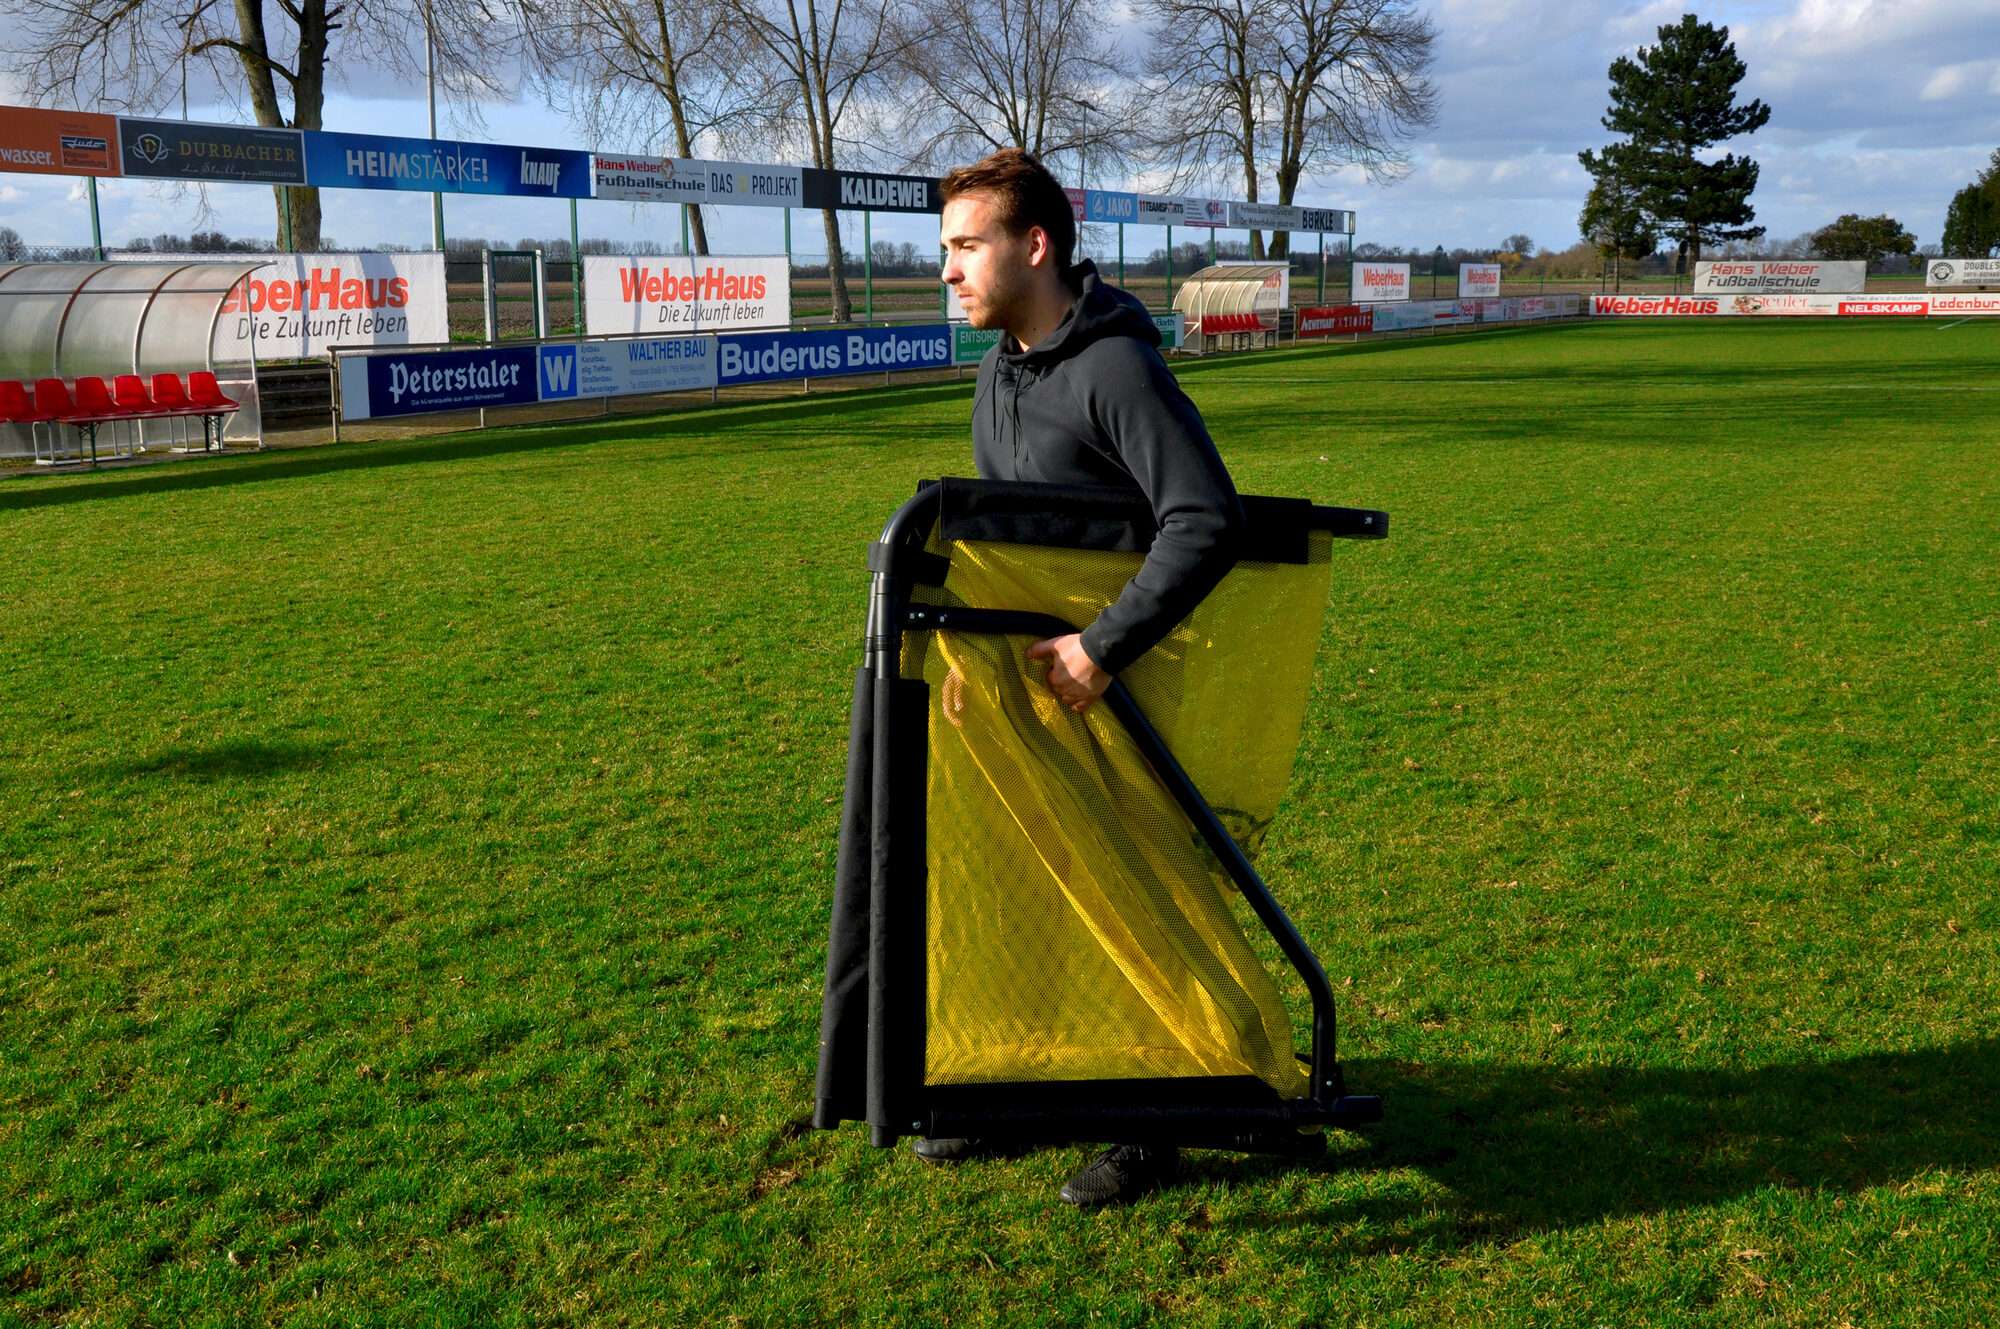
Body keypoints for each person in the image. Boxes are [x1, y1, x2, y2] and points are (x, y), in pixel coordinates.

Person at [920, 147, 1248, 1207]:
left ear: (1034, 244)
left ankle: (1149, 1124)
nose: (947, 271)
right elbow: (998, 535)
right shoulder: (998, 368)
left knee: (1139, 899)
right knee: (1042, 893)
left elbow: (1205, 519)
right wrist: (968, 659)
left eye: (965, 247)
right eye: (945, 251)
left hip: (1121, 686)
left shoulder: (1115, 368)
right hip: (1020, 683)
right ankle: (1024, 1088)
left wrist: (1101, 647)